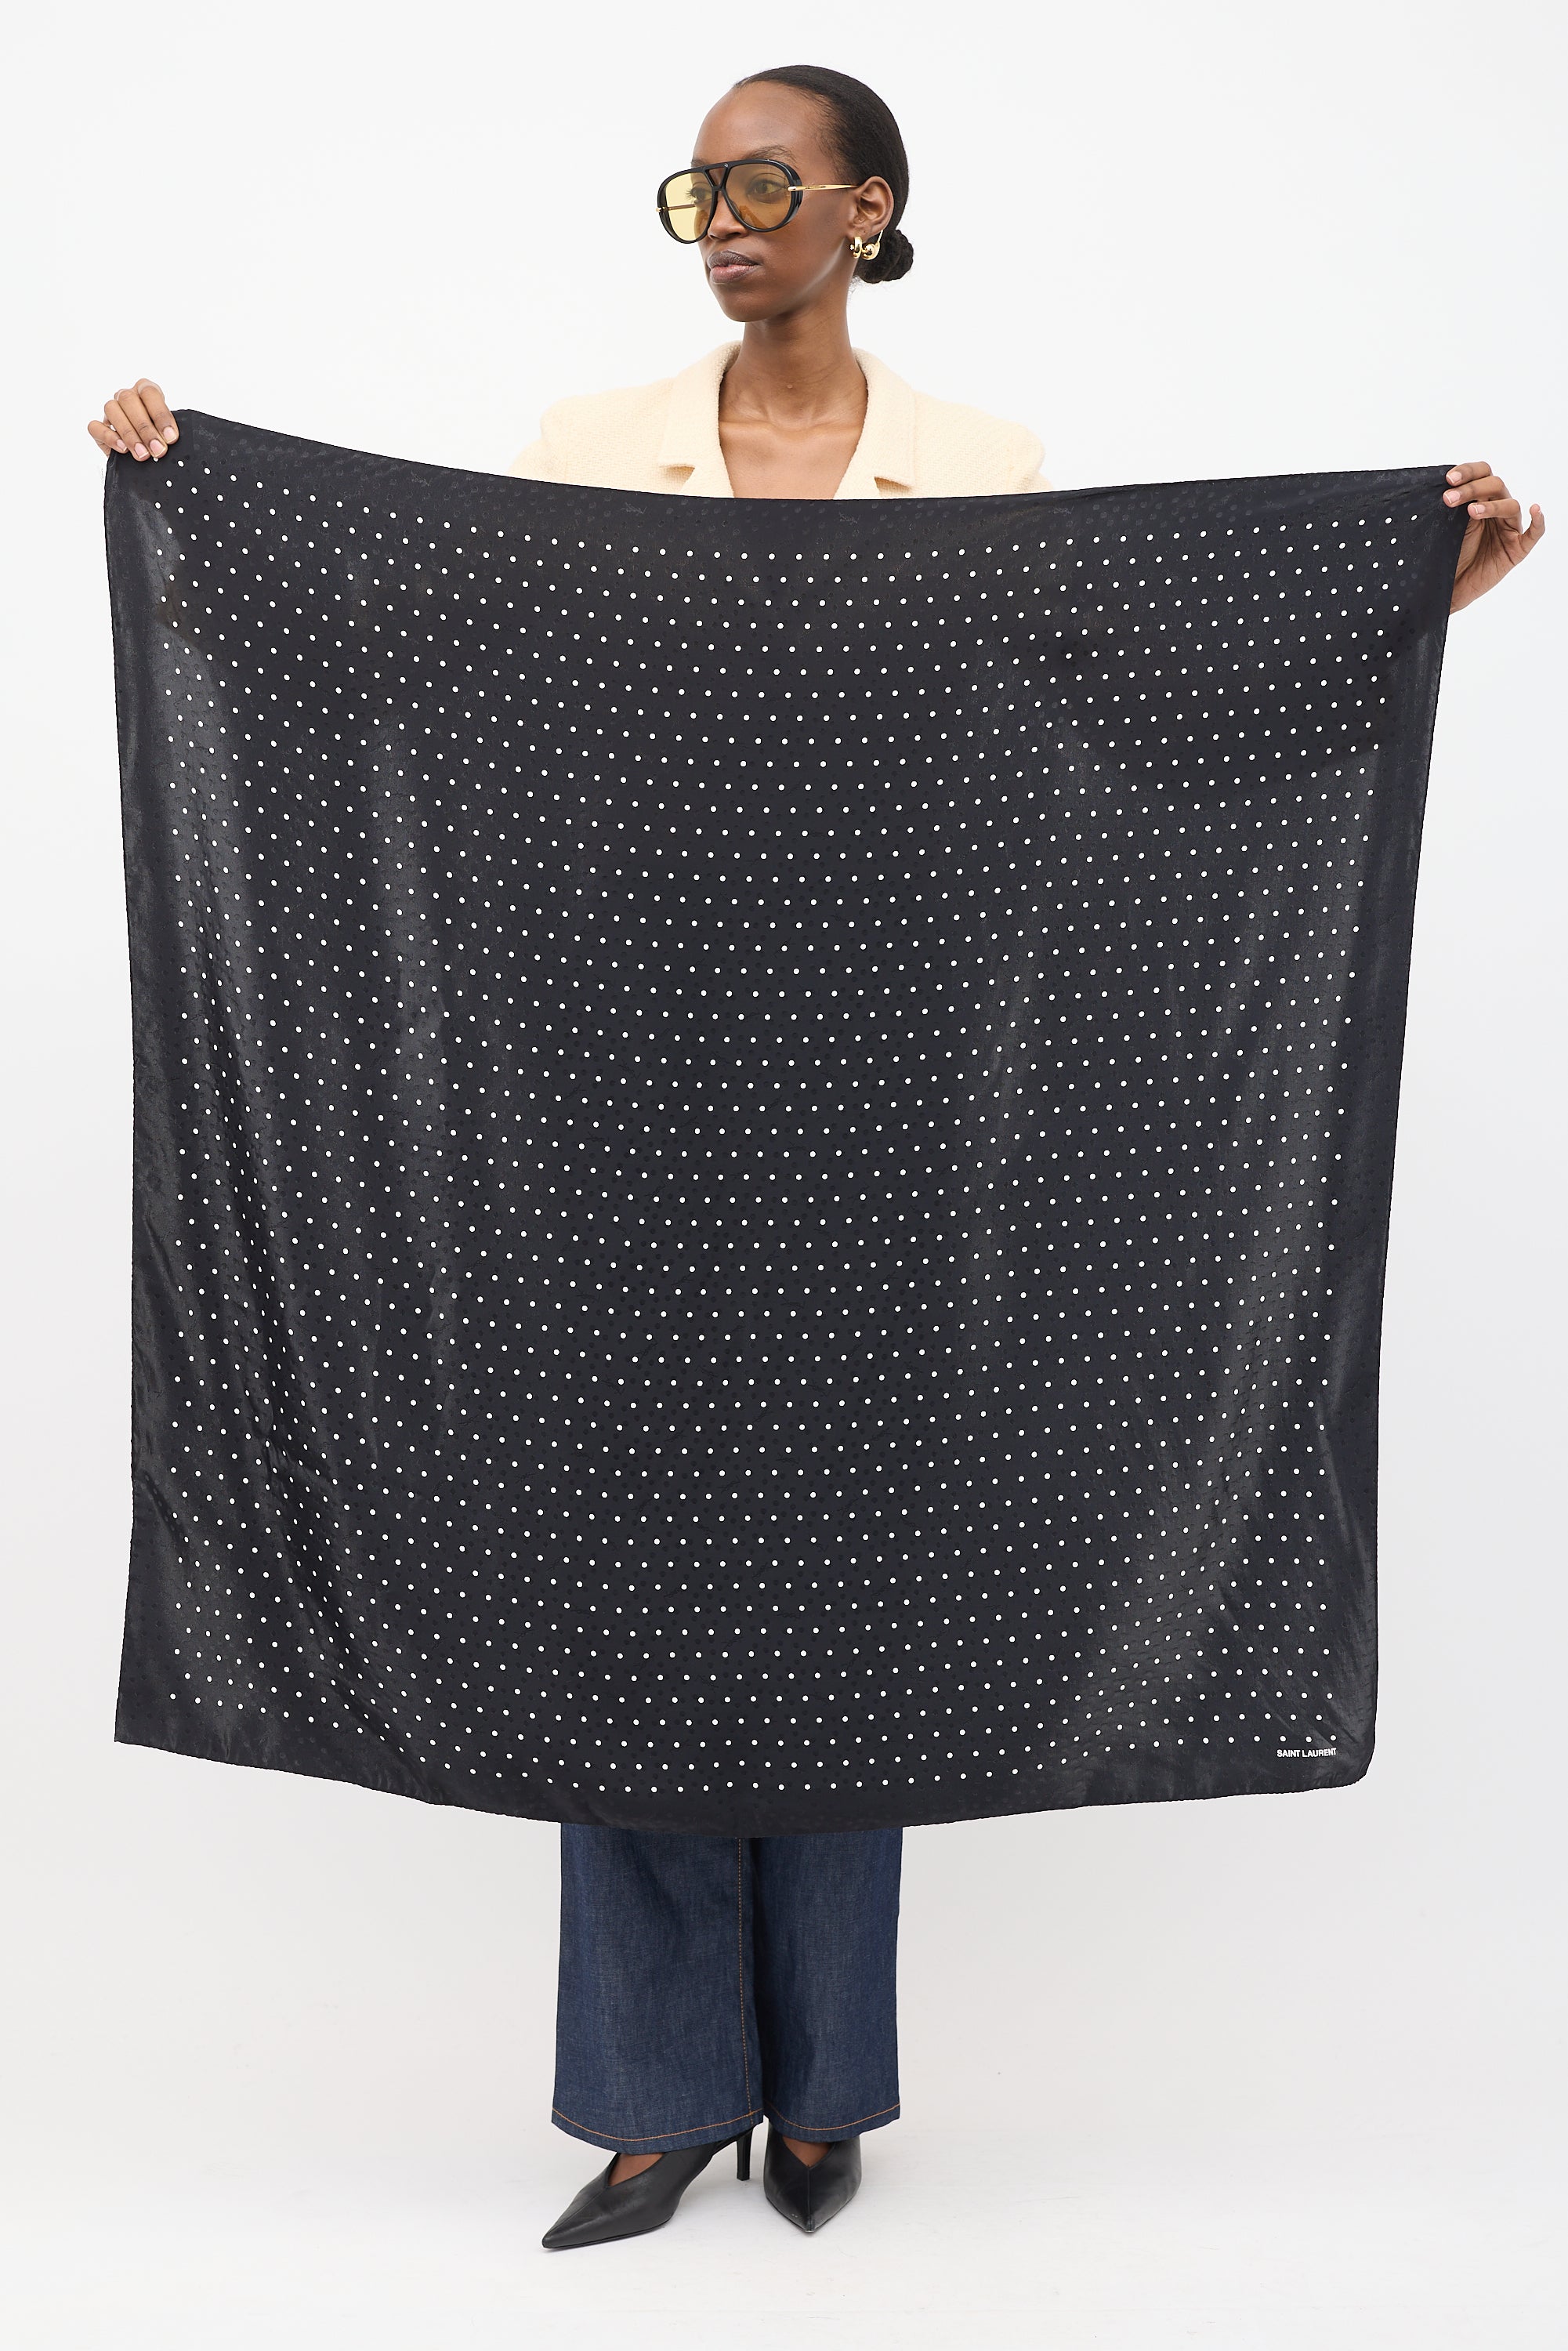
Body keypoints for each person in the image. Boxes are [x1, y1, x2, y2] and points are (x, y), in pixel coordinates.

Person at [88, 60, 1545, 2255]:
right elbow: (423, 673)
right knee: (621, 1593)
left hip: (893, 1111)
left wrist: (1410, 600)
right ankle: (652, 2099)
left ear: (867, 208)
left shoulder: (980, 470)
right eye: (696, 190)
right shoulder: (590, 451)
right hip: (608, 1101)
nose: (724, 222)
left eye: (765, 183)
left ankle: (824, 2094)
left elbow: (1125, 725)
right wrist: (189, 526)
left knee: (863, 1597)